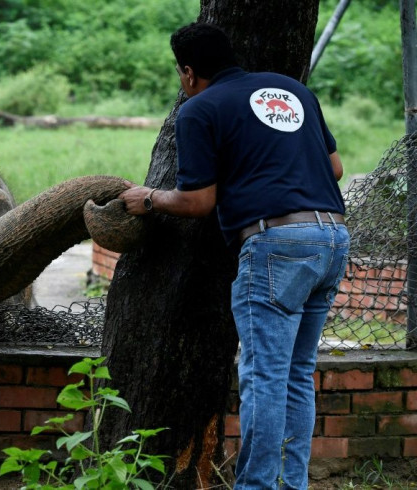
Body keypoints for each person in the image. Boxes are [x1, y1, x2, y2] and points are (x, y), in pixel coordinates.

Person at [119, 22, 350, 490]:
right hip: (332, 238)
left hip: (275, 246)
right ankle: (291, 485)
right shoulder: (291, 91)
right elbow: (337, 168)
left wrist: (148, 198)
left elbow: (197, 202)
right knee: (297, 374)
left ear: (188, 72)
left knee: (264, 376)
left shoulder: (199, 109)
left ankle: (257, 487)